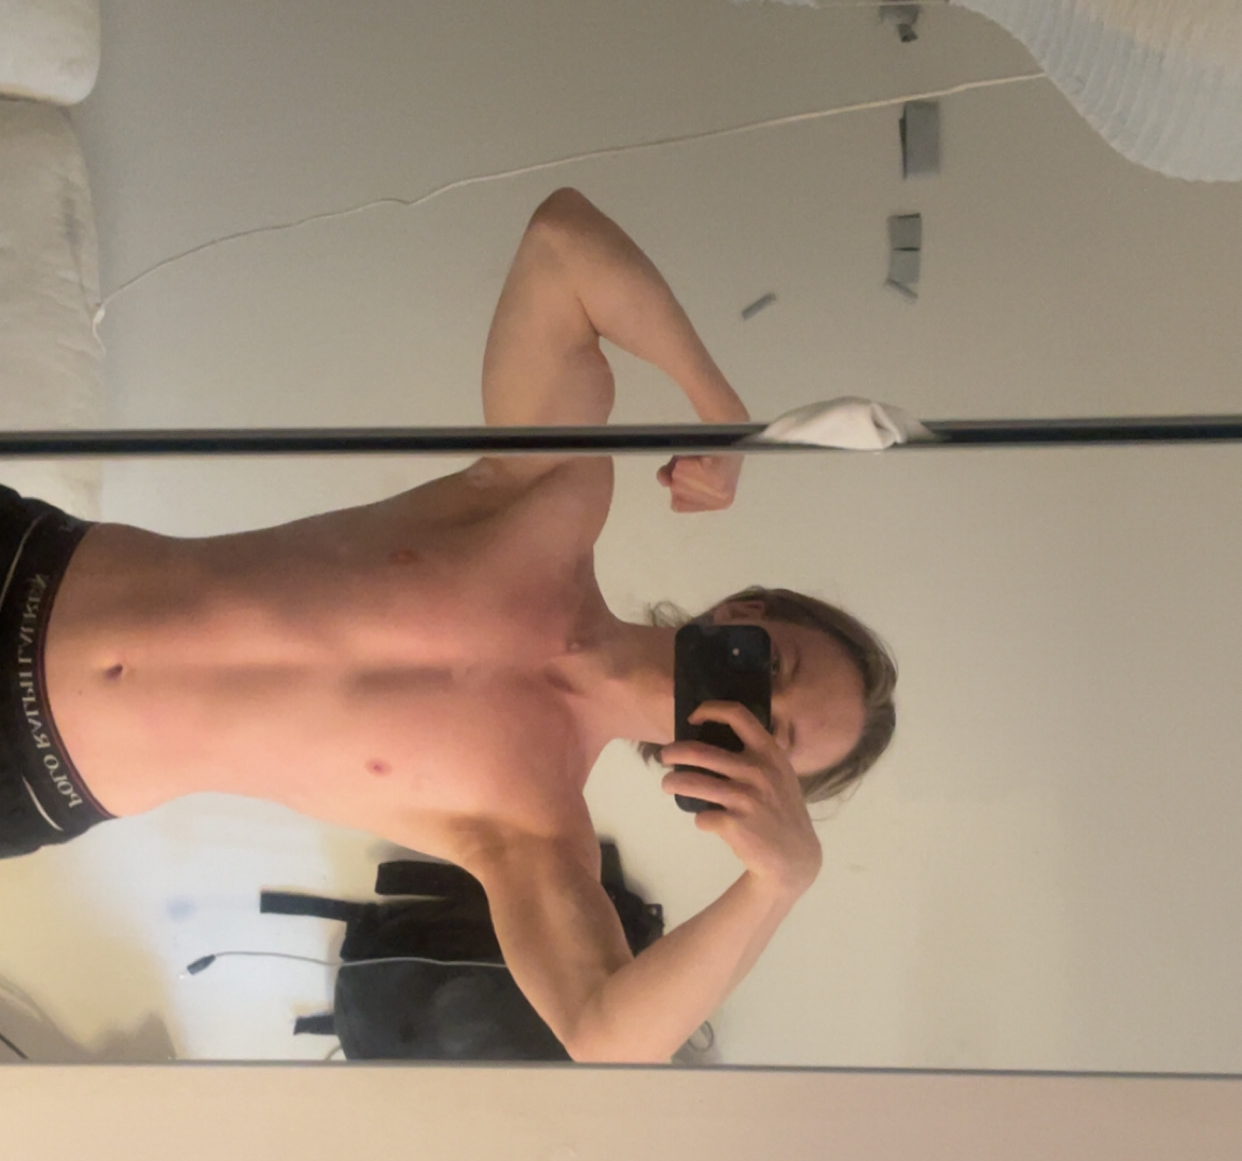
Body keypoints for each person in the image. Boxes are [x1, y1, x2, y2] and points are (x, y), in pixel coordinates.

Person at [0, 189, 896, 1062]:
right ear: (747, 614)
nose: (751, 708)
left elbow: (606, 1037)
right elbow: (561, 245)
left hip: (28, 770)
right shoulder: (551, 504)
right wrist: (717, 405)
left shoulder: (534, 830)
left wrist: (779, 880)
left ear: (759, 793)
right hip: (23, 568)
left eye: (776, 740)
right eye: (777, 667)